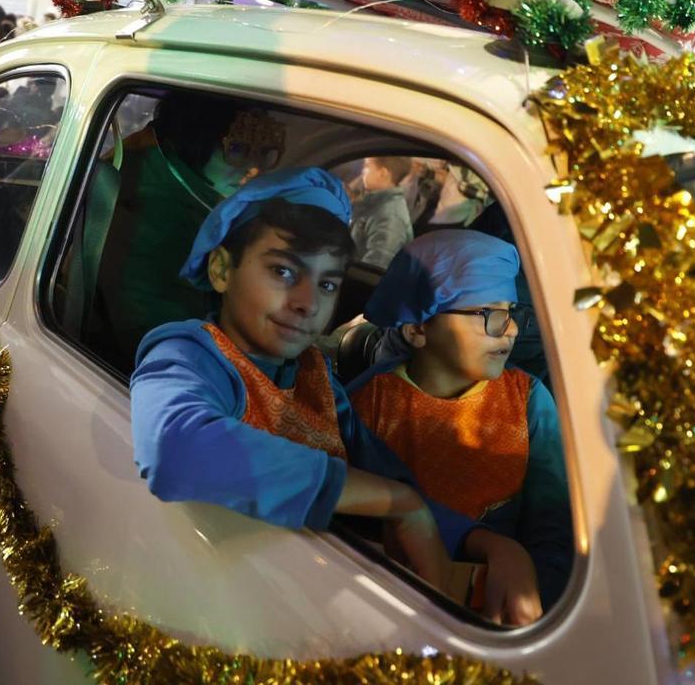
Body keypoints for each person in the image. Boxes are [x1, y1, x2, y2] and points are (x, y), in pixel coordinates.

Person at [131, 168, 543, 625]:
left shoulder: (314, 373)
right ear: (223, 269)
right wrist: (393, 502)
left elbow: (390, 479)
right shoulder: (191, 353)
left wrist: (489, 544)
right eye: (283, 271)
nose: (308, 302)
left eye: (327, 284)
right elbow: (174, 448)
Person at [348, 230, 572, 608]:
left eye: (513, 313)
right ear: (418, 329)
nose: (512, 329)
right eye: (490, 315)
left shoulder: (529, 400)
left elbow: (554, 530)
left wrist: (530, 600)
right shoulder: (367, 404)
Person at [95, 94, 282, 371]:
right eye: (237, 148)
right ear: (198, 142)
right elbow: (156, 329)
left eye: (263, 151)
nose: (253, 167)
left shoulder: (184, 185)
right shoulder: (153, 205)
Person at [351, 156, 413, 268]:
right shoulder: (375, 204)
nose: (362, 171)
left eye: (367, 166)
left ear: (382, 174)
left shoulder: (390, 217)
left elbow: (374, 269)